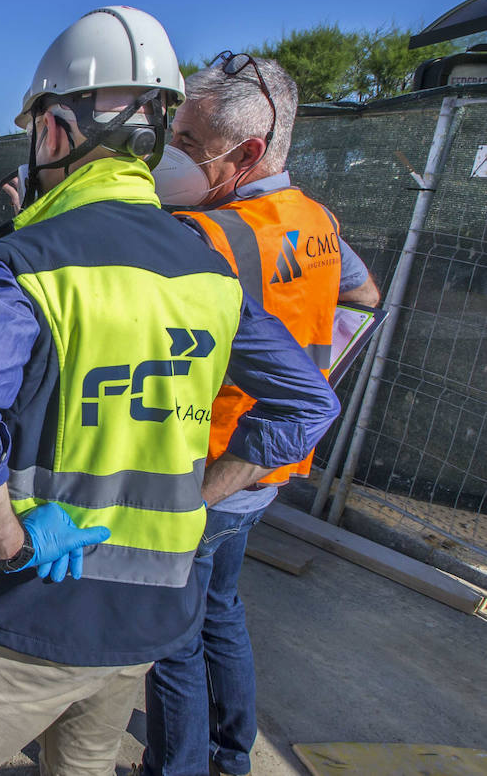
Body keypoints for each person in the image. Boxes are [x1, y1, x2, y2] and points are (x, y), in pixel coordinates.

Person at [0, 6, 342, 776]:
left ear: (55, 131)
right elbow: (308, 404)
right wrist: (199, 497)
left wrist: (9, 541)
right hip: (151, 619)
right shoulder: (211, 273)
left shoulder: (26, 262)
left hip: (36, 614)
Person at [141, 55, 380, 776]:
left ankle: (172, 769)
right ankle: (230, 758)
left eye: (187, 141)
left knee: (173, 638)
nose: (171, 155)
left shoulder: (210, 238)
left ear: (246, 153)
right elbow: (365, 300)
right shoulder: (319, 222)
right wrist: (311, 375)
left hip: (206, 469)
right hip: (268, 468)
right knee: (222, 612)